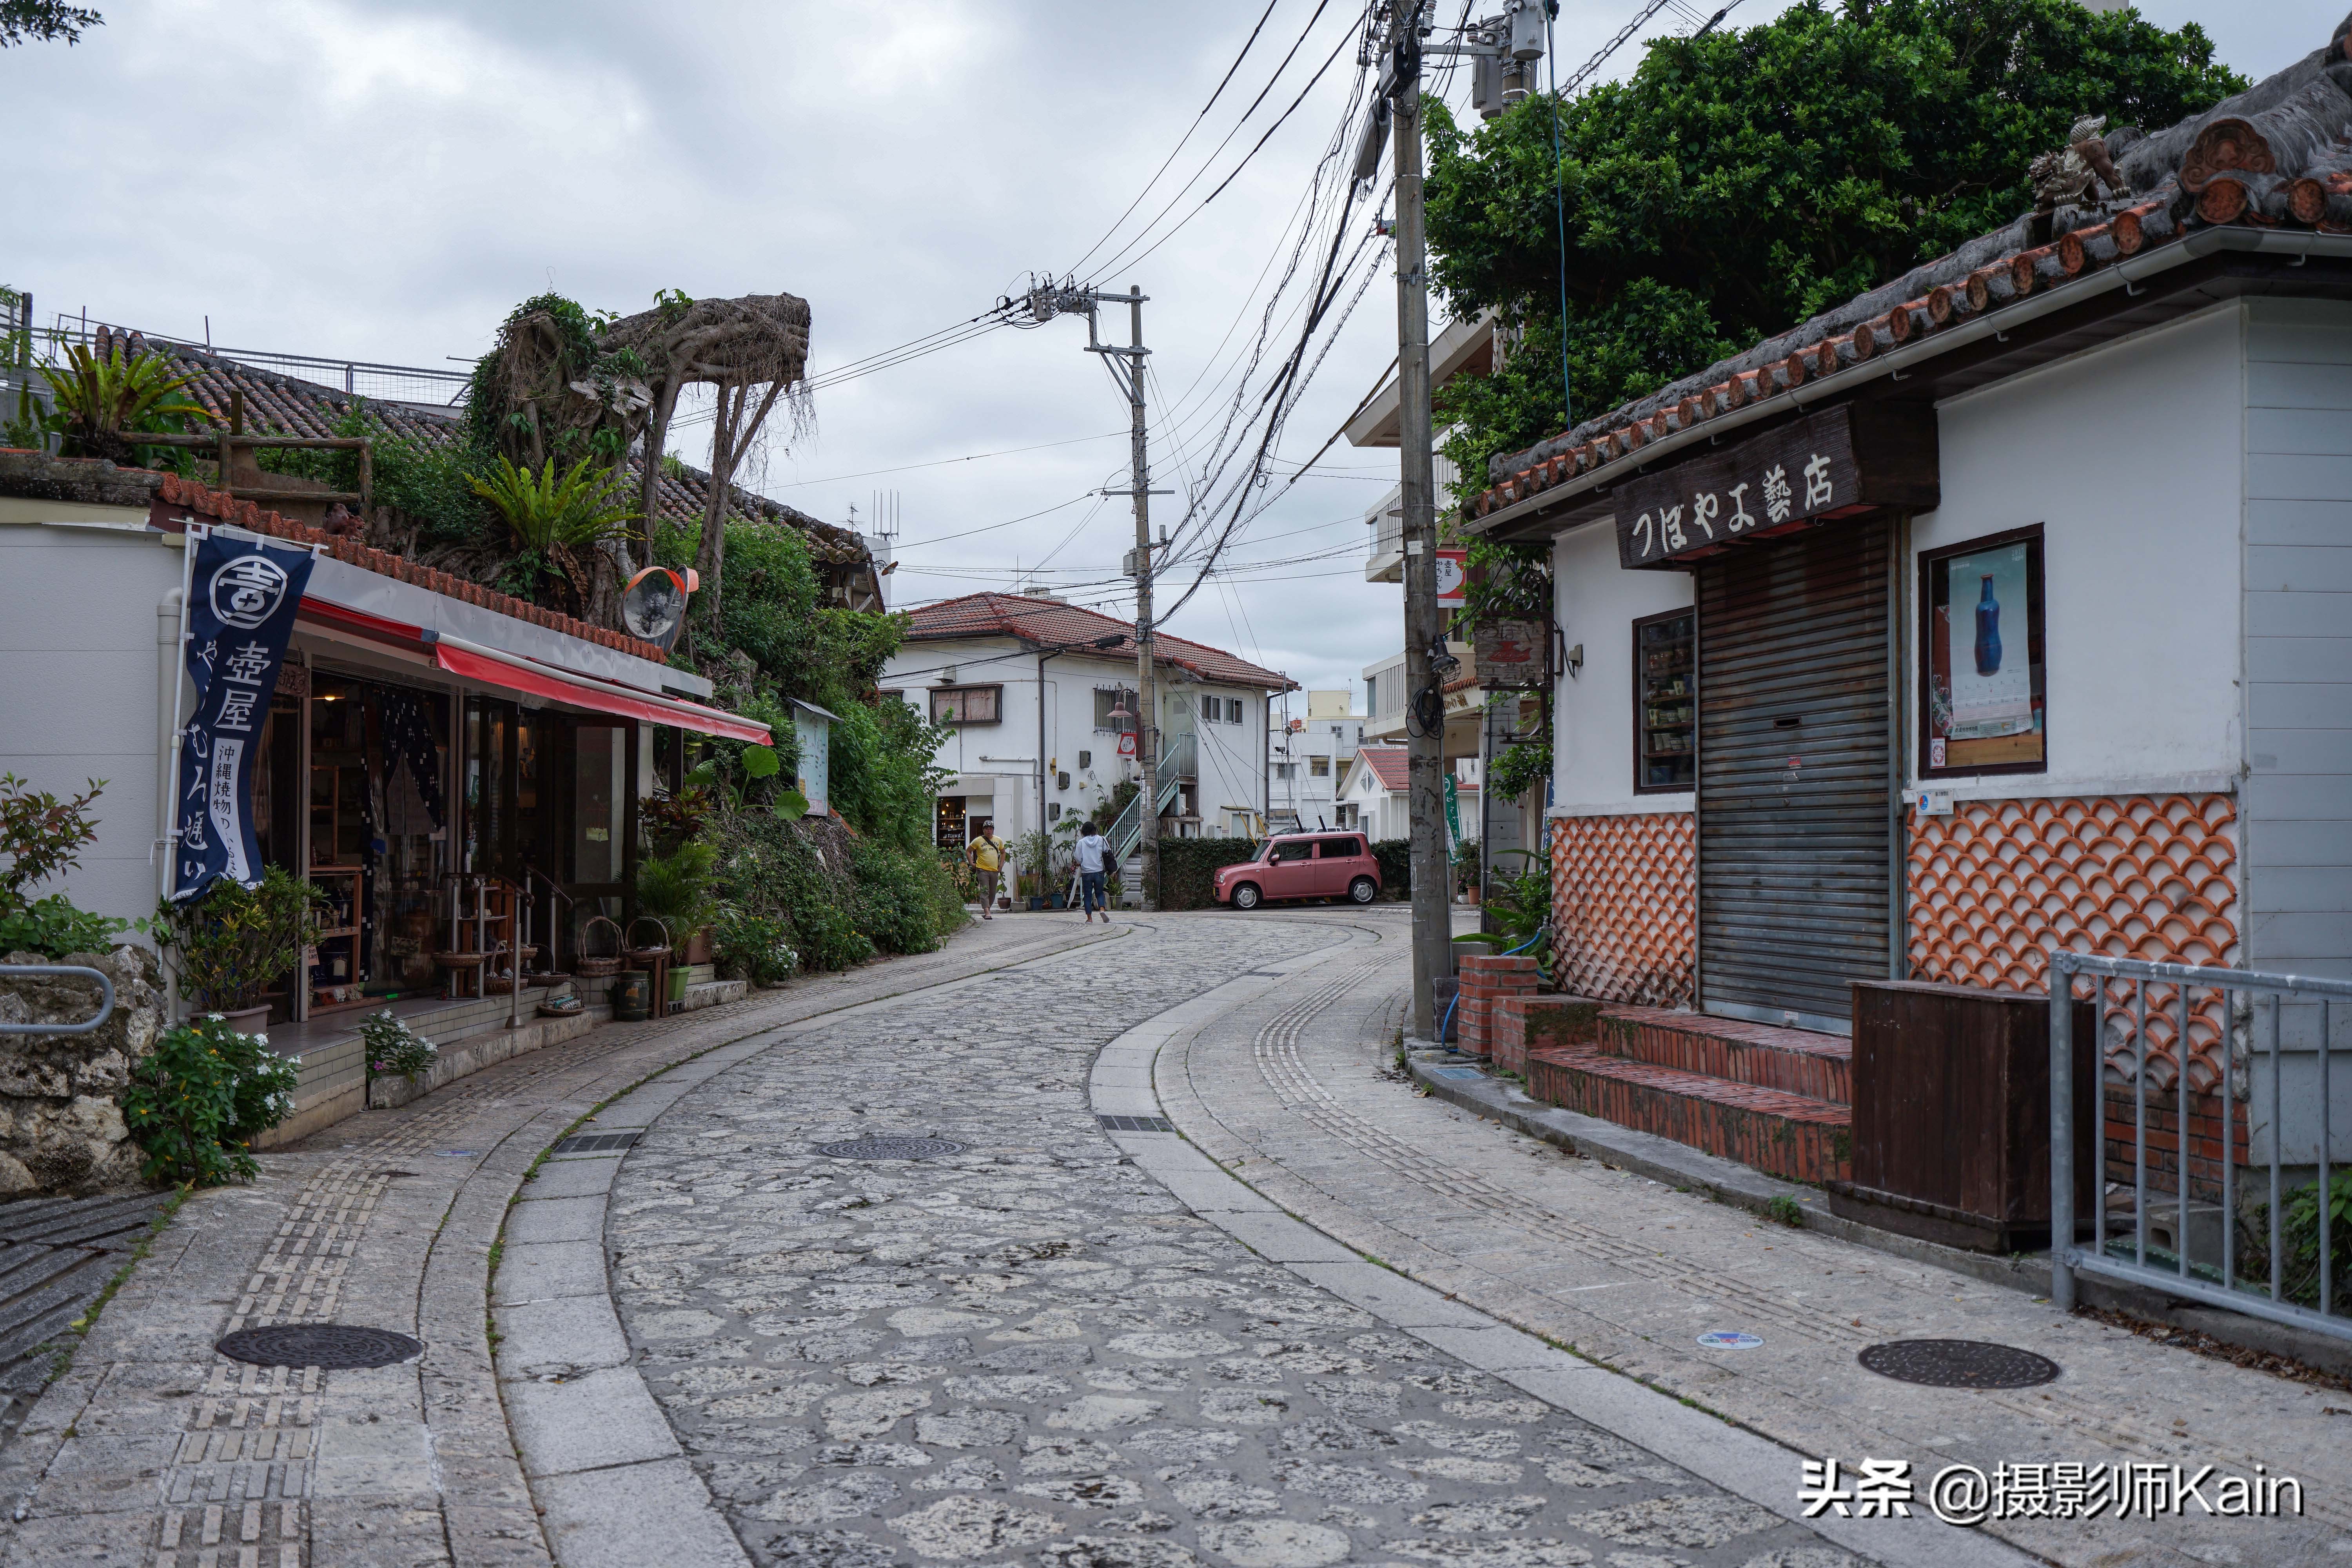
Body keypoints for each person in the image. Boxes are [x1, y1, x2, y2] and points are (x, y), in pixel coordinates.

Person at [967, 824, 1008, 918]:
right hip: (982, 870)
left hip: (994, 870)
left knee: (993, 892)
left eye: (991, 829)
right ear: (983, 830)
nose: (989, 831)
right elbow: (968, 851)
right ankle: (987, 913)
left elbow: (1003, 852)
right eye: (986, 829)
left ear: (993, 830)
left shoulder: (998, 840)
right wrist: (971, 863)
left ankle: (988, 911)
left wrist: (1001, 865)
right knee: (985, 890)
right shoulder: (978, 841)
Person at [1075, 823, 1111, 923]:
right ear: (1094, 830)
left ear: (1083, 832)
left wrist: (1082, 863)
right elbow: (1108, 851)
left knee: (1087, 896)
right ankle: (1102, 910)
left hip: (1087, 872)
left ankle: (1090, 919)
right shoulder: (1101, 839)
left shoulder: (1081, 843)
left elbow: (1078, 857)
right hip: (1099, 871)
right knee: (1099, 893)